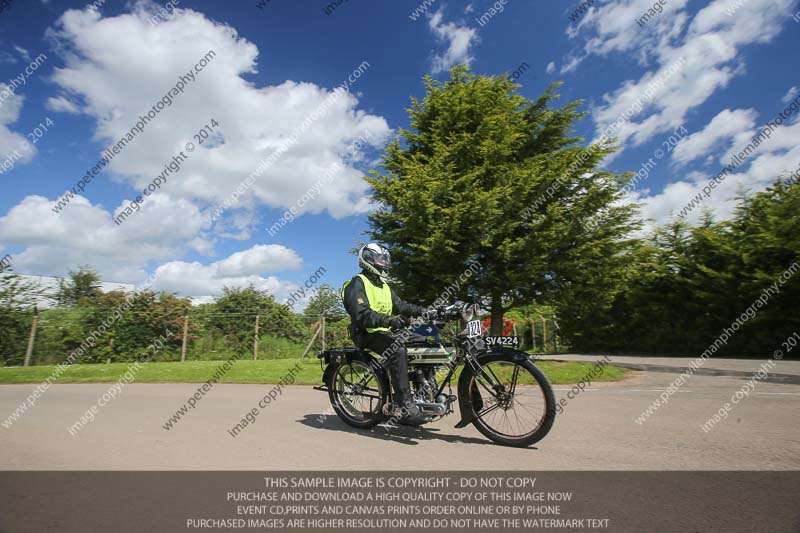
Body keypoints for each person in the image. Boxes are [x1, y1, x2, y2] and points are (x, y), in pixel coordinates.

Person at [341, 243, 432, 425]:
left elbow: (401, 305)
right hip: (365, 333)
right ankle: (404, 405)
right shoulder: (357, 283)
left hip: (386, 331)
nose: (384, 262)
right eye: (380, 259)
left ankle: (423, 391)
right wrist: (390, 320)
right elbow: (361, 315)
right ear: (367, 259)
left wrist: (425, 311)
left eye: (385, 259)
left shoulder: (383, 285)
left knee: (425, 343)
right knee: (397, 350)